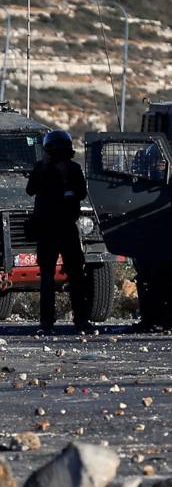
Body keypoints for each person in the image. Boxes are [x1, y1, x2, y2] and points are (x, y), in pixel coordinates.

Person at [25, 130, 93, 334]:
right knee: (48, 278)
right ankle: (48, 322)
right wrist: (44, 167)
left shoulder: (73, 169)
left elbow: (81, 192)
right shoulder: (42, 169)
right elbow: (31, 189)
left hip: (64, 228)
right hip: (49, 229)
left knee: (75, 276)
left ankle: (80, 319)